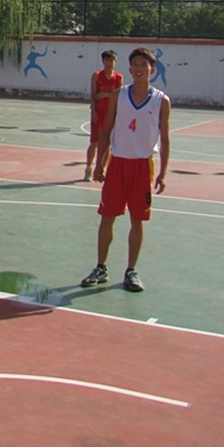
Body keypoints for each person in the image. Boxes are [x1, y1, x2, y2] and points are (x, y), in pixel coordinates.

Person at [80, 47, 170, 293]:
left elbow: (165, 138)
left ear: (152, 70)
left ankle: (131, 270)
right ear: (130, 69)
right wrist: (99, 163)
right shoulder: (118, 96)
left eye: (144, 65)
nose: (139, 69)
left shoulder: (161, 101)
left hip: (142, 166)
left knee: (137, 219)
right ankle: (101, 267)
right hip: (117, 163)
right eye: (135, 65)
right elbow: (106, 131)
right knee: (107, 216)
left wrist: (163, 172)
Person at [84, 50, 123, 181]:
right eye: (106, 60)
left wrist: (118, 114)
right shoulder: (97, 76)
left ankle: (102, 168)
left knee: (107, 143)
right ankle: (88, 168)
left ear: (115, 62)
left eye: (111, 60)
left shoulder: (119, 78)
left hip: (110, 114)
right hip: (99, 112)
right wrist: (93, 111)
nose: (109, 63)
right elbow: (94, 95)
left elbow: (119, 97)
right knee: (94, 142)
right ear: (103, 61)